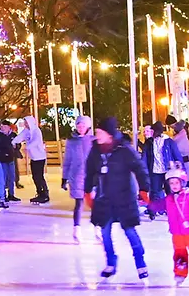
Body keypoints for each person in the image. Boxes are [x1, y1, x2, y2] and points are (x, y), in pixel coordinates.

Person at [84, 118, 151, 280]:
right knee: (105, 233)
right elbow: (90, 172)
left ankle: (141, 263)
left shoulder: (124, 150)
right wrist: (87, 192)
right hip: (104, 199)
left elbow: (140, 169)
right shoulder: (95, 151)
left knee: (130, 231)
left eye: (100, 133)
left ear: (109, 134)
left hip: (124, 199)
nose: (97, 136)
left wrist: (144, 189)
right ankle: (111, 262)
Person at [61, 115, 95, 240]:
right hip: (76, 176)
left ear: (88, 126)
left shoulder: (93, 140)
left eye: (83, 125)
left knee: (94, 202)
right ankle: (77, 228)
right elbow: (67, 161)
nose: (81, 128)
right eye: (79, 125)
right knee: (79, 202)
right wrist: (64, 179)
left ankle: (98, 226)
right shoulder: (72, 142)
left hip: (91, 176)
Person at [19, 115, 50, 205]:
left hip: (40, 157)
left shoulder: (36, 131)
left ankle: (44, 194)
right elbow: (20, 137)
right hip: (33, 157)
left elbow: (36, 141)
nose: (25, 124)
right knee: (35, 177)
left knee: (39, 176)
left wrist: (28, 147)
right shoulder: (26, 131)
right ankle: (40, 193)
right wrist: (13, 142)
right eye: (24, 122)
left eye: (26, 122)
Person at [141, 123, 168, 218]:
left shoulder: (166, 141)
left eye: (149, 131)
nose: (146, 133)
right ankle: (153, 210)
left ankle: (163, 208)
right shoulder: (149, 142)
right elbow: (144, 155)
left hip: (164, 170)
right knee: (155, 191)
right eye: (146, 131)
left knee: (162, 191)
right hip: (154, 170)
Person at [160, 120, 189, 186]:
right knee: (186, 180)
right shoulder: (181, 137)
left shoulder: (180, 138)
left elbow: (184, 150)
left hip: (185, 162)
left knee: (186, 181)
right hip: (184, 163)